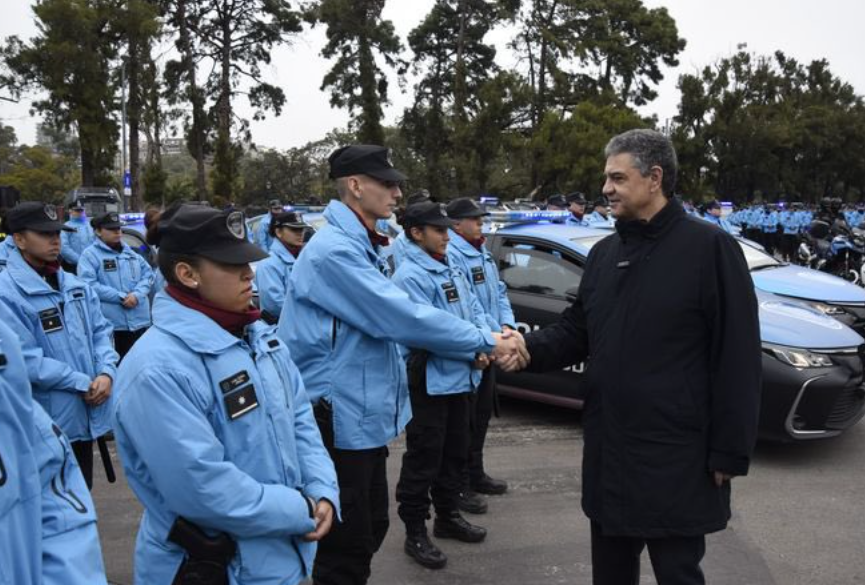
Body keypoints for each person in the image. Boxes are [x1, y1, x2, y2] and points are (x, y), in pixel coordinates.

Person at [509, 129, 761, 585]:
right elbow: (576, 331)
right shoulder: (604, 254)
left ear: (655, 178)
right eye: (607, 178)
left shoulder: (710, 249)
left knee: (677, 574)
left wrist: (730, 451)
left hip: (677, 457)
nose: (605, 188)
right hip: (610, 452)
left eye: (617, 178)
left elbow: (737, 357)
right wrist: (524, 348)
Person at [277, 144, 528, 585]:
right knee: (346, 544)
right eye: (388, 184)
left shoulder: (366, 244)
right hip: (337, 416)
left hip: (362, 416)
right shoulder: (334, 252)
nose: (397, 193)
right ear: (355, 186)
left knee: (371, 525)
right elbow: (401, 316)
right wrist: (487, 340)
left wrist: (489, 336)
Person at [112, 204, 339, 585]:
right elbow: (202, 487)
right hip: (216, 568)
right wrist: (300, 508)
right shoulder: (157, 368)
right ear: (187, 274)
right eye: (232, 265)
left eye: (246, 261)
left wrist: (322, 489)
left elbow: (300, 419)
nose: (249, 273)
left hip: (278, 556)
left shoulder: (258, 337)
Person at [392, 201, 492, 569]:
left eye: (447, 228)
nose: (446, 235)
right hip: (430, 383)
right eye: (438, 230)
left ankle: (448, 516)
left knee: (455, 453)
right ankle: (415, 530)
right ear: (416, 233)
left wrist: (484, 341)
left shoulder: (450, 264)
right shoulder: (409, 276)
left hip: (460, 378)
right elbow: (428, 330)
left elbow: (475, 309)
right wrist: (476, 348)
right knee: (424, 459)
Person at [0, 202, 119, 489]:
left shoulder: (75, 285)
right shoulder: (7, 293)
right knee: (52, 501)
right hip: (44, 421)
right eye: (44, 234)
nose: (55, 240)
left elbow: (101, 331)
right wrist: (82, 382)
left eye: (57, 232)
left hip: (84, 413)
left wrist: (106, 372)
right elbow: (25, 358)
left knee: (82, 492)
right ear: (19, 239)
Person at [446, 197, 515, 515]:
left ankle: (475, 473)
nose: (480, 224)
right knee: (464, 423)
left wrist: (506, 325)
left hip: (490, 341)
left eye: (481, 219)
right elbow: (466, 306)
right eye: (475, 220)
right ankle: (459, 484)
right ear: (456, 224)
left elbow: (498, 291)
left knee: (482, 415)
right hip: (474, 348)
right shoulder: (452, 254)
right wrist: (488, 341)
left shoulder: (481, 250)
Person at [78, 212, 154, 359]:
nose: (117, 232)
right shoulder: (90, 255)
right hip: (113, 325)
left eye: (118, 228)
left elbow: (149, 275)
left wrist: (136, 295)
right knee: (118, 364)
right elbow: (88, 284)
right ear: (98, 231)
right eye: (111, 229)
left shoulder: (131, 253)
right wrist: (121, 297)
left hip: (140, 322)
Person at [256, 211, 310, 324]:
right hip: (283, 328)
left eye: (302, 229)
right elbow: (275, 305)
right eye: (294, 229)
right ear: (278, 232)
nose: (300, 233)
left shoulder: (305, 257)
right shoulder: (268, 264)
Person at [59, 200, 94, 273]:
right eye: (77, 210)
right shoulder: (66, 227)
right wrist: (81, 260)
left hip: (91, 263)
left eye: (81, 210)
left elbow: (96, 243)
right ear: (70, 211)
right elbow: (63, 248)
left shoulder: (90, 225)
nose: (80, 212)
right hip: (73, 266)